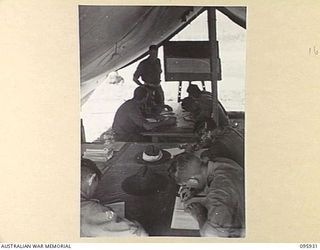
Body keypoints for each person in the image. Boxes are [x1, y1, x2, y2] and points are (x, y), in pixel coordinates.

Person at [169, 153, 245, 237]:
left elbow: (213, 237)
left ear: (193, 181)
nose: (187, 188)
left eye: (185, 185)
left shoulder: (219, 193)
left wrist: (199, 215)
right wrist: (193, 190)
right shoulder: (219, 162)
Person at [80, 158, 147, 237]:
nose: (94, 192)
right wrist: (135, 224)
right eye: (95, 187)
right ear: (91, 179)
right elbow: (138, 234)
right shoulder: (91, 210)